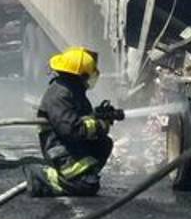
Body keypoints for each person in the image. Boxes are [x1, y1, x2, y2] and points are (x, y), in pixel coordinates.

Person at [24, 47, 123, 197]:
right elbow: (71, 129)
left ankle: (80, 176)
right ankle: (41, 176)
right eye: (88, 75)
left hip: (71, 145)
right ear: (80, 75)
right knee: (87, 186)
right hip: (60, 148)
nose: (90, 78)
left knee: (104, 143)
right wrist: (99, 124)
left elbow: (81, 118)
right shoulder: (60, 94)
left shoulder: (73, 90)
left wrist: (101, 115)